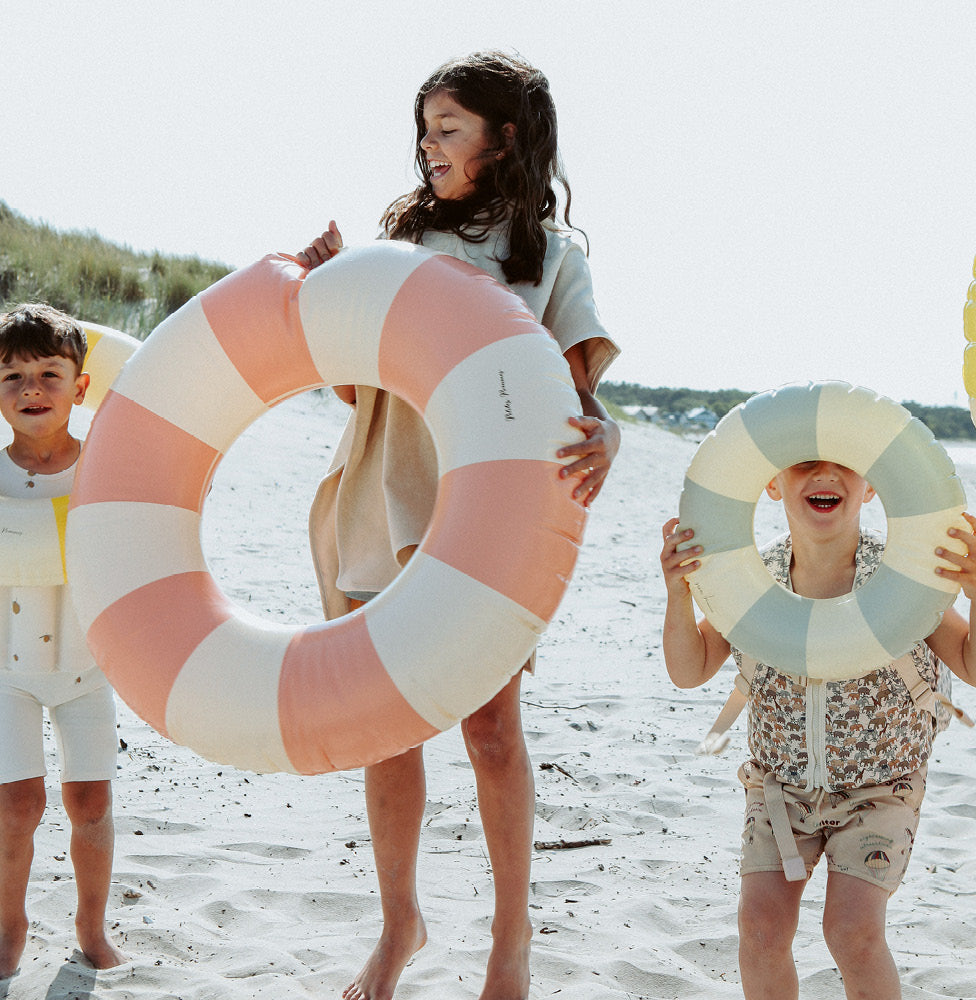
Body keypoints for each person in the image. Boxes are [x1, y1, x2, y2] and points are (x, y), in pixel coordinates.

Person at [296, 51, 620, 1000]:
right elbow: (358, 385)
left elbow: (581, 402)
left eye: (449, 130)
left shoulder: (553, 258)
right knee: (388, 727)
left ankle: (510, 940)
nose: (429, 147)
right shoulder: (402, 243)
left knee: (490, 729)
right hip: (384, 495)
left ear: (505, 137)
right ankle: (400, 926)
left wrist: (609, 439)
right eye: (425, 131)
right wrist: (324, 292)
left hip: (489, 521)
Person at [660, 459, 976, 1000]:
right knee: (762, 930)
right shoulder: (754, 576)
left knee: (852, 932)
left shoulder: (900, 576)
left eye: (844, 464)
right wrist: (679, 594)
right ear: (770, 483)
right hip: (780, 787)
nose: (826, 476)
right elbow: (688, 669)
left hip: (880, 788)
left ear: (870, 488)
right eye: (803, 465)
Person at [0, 304, 126, 979]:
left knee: (91, 803)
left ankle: (90, 924)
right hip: (7, 671)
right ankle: (8, 923)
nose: (31, 390)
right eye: (13, 375)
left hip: (86, 669)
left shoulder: (107, 472)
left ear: (81, 388)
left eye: (50, 373)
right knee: (18, 803)